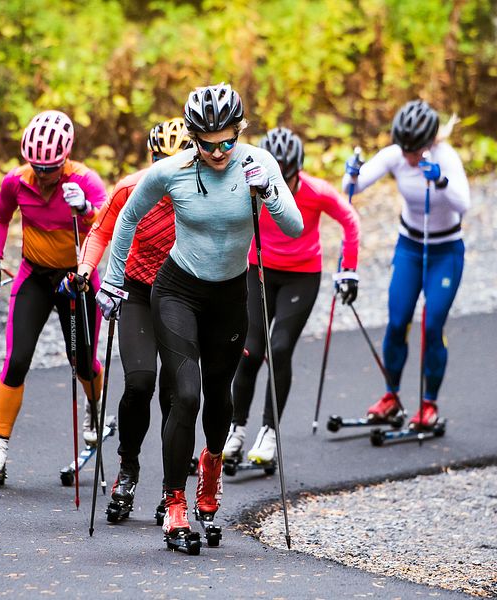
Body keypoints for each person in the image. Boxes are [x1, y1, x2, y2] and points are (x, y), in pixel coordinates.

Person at [96, 84, 303, 542]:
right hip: (177, 291)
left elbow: (293, 227)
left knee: (219, 400)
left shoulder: (258, 164)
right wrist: (112, 279)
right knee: (184, 395)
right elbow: (127, 217)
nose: (217, 151)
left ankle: (210, 470)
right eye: (207, 143)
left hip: (230, 296)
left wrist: (267, 191)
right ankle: (174, 503)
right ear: (193, 137)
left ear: (239, 130)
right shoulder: (172, 171)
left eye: (226, 140)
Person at [63, 117, 192, 513]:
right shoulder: (132, 188)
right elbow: (101, 231)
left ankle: (173, 490)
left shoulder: (205, 192)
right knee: (139, 382)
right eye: (159, 161)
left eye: (177, 162)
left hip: (183, 293)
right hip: (136, 289)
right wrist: (86, 271)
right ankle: (129, 470)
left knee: (177, 394)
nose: (166, 172)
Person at [0, 110, 107, 480]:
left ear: (65, 158)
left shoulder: (85, 180)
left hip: (76, 280)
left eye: (50, 167)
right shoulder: (16, 182)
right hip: (34, 276)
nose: (42, 173)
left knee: (82, 361)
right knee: (16, 361)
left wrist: (84, 208)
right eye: (36, 165)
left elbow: (108, 223)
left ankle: (95, 410)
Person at [223, 127, 361, 463]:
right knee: (250, 351)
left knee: (280, 347)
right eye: (276, 174)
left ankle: (268, 434)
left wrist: (349, 269)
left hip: (302, 276)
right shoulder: (252, 184)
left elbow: (350, 220)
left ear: (297, 169)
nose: (281, 181)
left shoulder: (315, 190)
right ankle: (236, 429)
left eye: (287, 175)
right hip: (259, 271)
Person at [343, 100, 469, 429]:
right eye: (406, 150)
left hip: (445, 250)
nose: (410, 157)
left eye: (416, 151)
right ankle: (391, 396)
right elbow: (352, 188)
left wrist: (440, 182)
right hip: (410, 247)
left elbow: (464, 204)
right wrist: (352, 173)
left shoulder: (446, 158)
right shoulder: (395, 155)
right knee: (398, 321)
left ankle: (429, 404)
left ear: (431, 143)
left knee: (431, 325)